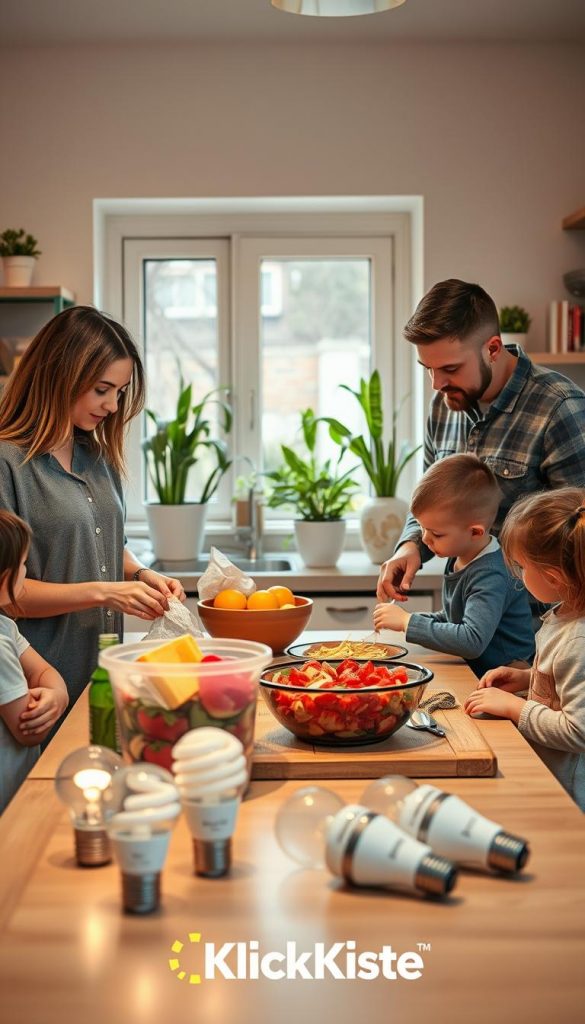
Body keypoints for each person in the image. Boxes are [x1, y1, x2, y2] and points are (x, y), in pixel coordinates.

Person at [0, 305, 185, 706]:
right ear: (59, 375)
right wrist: (104, 593)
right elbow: (5, 595)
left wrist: (140, 574)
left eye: (119, 392)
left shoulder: (97, 458)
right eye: (102, 390)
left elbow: (99, 541)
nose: (113, 406)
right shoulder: (7, 463)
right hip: (36, 689)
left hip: (100, 676)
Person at [377, 278, 585, 604]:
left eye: (450, 368)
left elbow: (580, 542)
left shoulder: (559, 408)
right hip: (463, 627)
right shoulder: (443, 408)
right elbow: (432, 504)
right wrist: (410, 547)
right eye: (428, 369)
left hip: (534, 638)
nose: (437, 384)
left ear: (492, 349)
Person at [464, 488, 585, 811]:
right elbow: (566, 681)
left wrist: (514, 708)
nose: (518, 576)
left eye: (520, 567)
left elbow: (577, 732)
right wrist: (527, 678)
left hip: (566, 797)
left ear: (554, 577)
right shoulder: (566, 614)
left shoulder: (578, 641)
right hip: (549, 779)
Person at [373, 455, 534, 678]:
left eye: (436, 533)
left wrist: (407, 622)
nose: (426, 540)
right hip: (475, 671)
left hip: (506, 681)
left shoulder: (491, 573)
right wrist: (408, 619)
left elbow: (471, 640)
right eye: (422, 528)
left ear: (475, 532)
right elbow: (455, 619)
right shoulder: (461, 553)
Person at [0, 510, 69, 812]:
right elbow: (31, 731)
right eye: (24, 564)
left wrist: (58, 696)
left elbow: (41, 671)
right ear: (5, 577)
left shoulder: (5, 626)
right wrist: (55, 696)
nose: (26, 571)